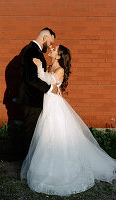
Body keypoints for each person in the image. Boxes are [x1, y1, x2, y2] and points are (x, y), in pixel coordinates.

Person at [20, 45, 116, 196]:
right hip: (48, 106)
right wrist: (41, 68)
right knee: (47, 137)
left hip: (55, 108)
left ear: (58, 56)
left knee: (56, 137)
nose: (51, 48)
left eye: (55, 48)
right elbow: (44, 82)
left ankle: (61, 171)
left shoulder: (60, 70)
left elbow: (48, 86)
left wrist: (39, 68)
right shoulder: (51, 67)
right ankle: (45, 169)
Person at [19, 28, 57, 156]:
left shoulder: (33, 50)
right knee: (31, 134)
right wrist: (49, 88)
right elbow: (31, 79)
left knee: (34, 133)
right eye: (51, 42)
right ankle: (28, 167)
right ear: (45, 37)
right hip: (31, 100)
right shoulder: (32, 51)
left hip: (33, 99)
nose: (51, 46)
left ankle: (31, 163)